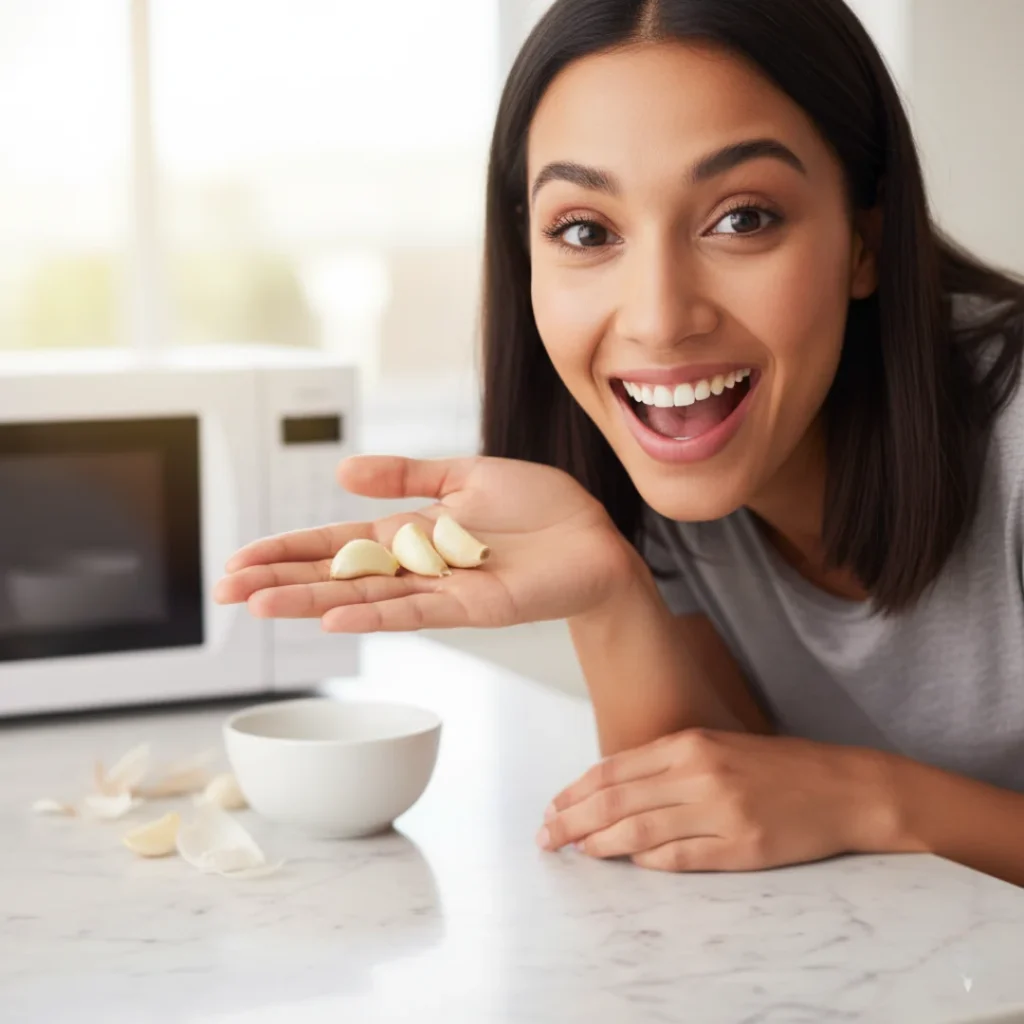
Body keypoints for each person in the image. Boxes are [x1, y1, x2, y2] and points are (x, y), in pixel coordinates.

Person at [215, 0, 1024, 886]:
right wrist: (607, 596)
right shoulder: (660, 447)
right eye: (586, 231)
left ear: (864, 241)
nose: (659, 319)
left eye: (743, 218)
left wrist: (875, 798)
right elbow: (721, 811)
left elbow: (817, 803)